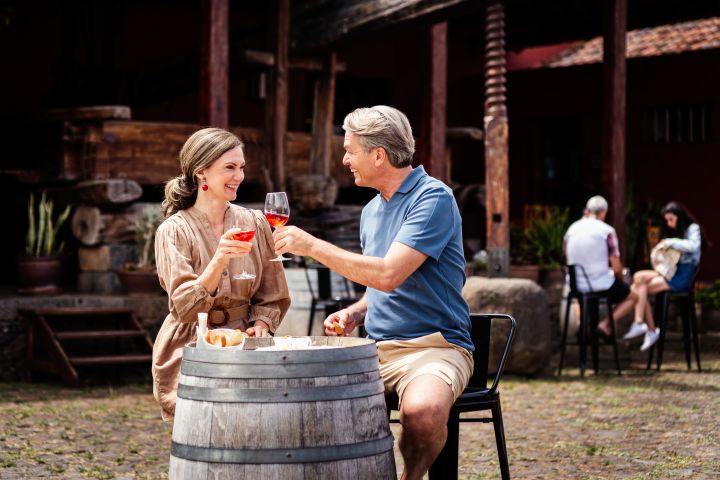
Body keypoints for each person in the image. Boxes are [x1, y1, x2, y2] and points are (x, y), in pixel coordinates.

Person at [273, 105, 473, 480]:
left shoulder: (433, 199)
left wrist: (312, 245)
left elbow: (388, 274)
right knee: (306, 402)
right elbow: (380, 287)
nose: (345, 159)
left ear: (378, 155)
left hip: (434, 346)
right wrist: (356, 312)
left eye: (350, 150)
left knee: (422, 413)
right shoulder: (370, 211)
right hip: (375, 349)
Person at [152, 127, 290, 421]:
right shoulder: (173, 231)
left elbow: (273, 293)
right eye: (229, 167)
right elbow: (184, 307)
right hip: (192, 347)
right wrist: (219, 260)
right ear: (201, 172)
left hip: (245, 346)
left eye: (241, 167)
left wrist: (263, 323)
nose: (239, 176)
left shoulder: (253, 221)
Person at [623, 201, 703, 351]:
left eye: (671, 220)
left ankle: (646, 327)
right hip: (670, 269)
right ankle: (643, 325)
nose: (669, 224)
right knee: (638, 278)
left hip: (682, 276)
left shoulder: (692, 228)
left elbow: (694, 247)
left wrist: (671, 242)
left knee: (640, 287)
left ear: (678, 216)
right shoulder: (676, 231)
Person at [564, 195, 637, 339]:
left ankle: (581, 324)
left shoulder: (571, 229)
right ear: (604, 212)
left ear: (588, 210)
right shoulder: (606, 231)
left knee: (579, 295)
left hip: (575, 284)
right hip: (598, 284)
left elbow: (565, 256)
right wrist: (620, 280)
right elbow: (616, 267)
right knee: (633, 296)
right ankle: (604, 325)